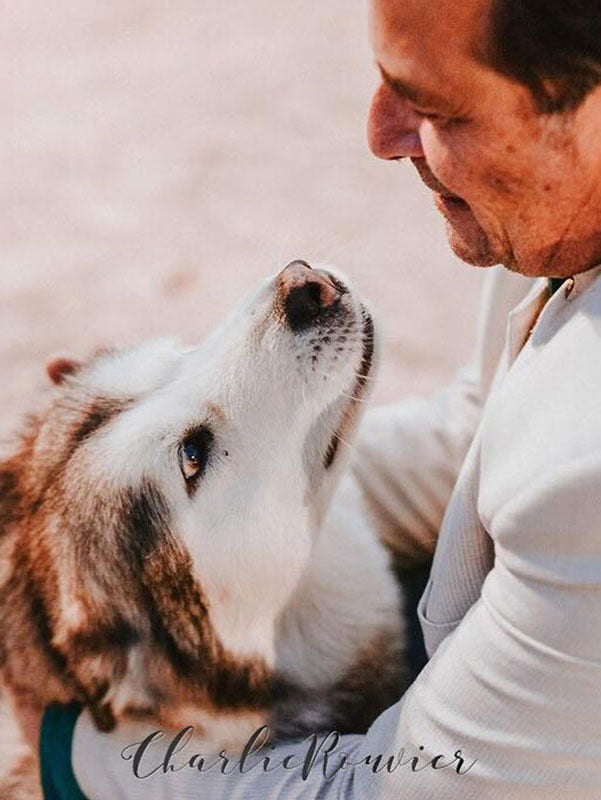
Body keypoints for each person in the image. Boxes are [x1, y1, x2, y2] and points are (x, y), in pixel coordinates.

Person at [16, 0, 601, 796]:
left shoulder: (585, 465)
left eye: (434, 107)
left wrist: (74, 753)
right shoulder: (562, 192)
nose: (379, 134)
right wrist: (72, 521)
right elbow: (480, 430)